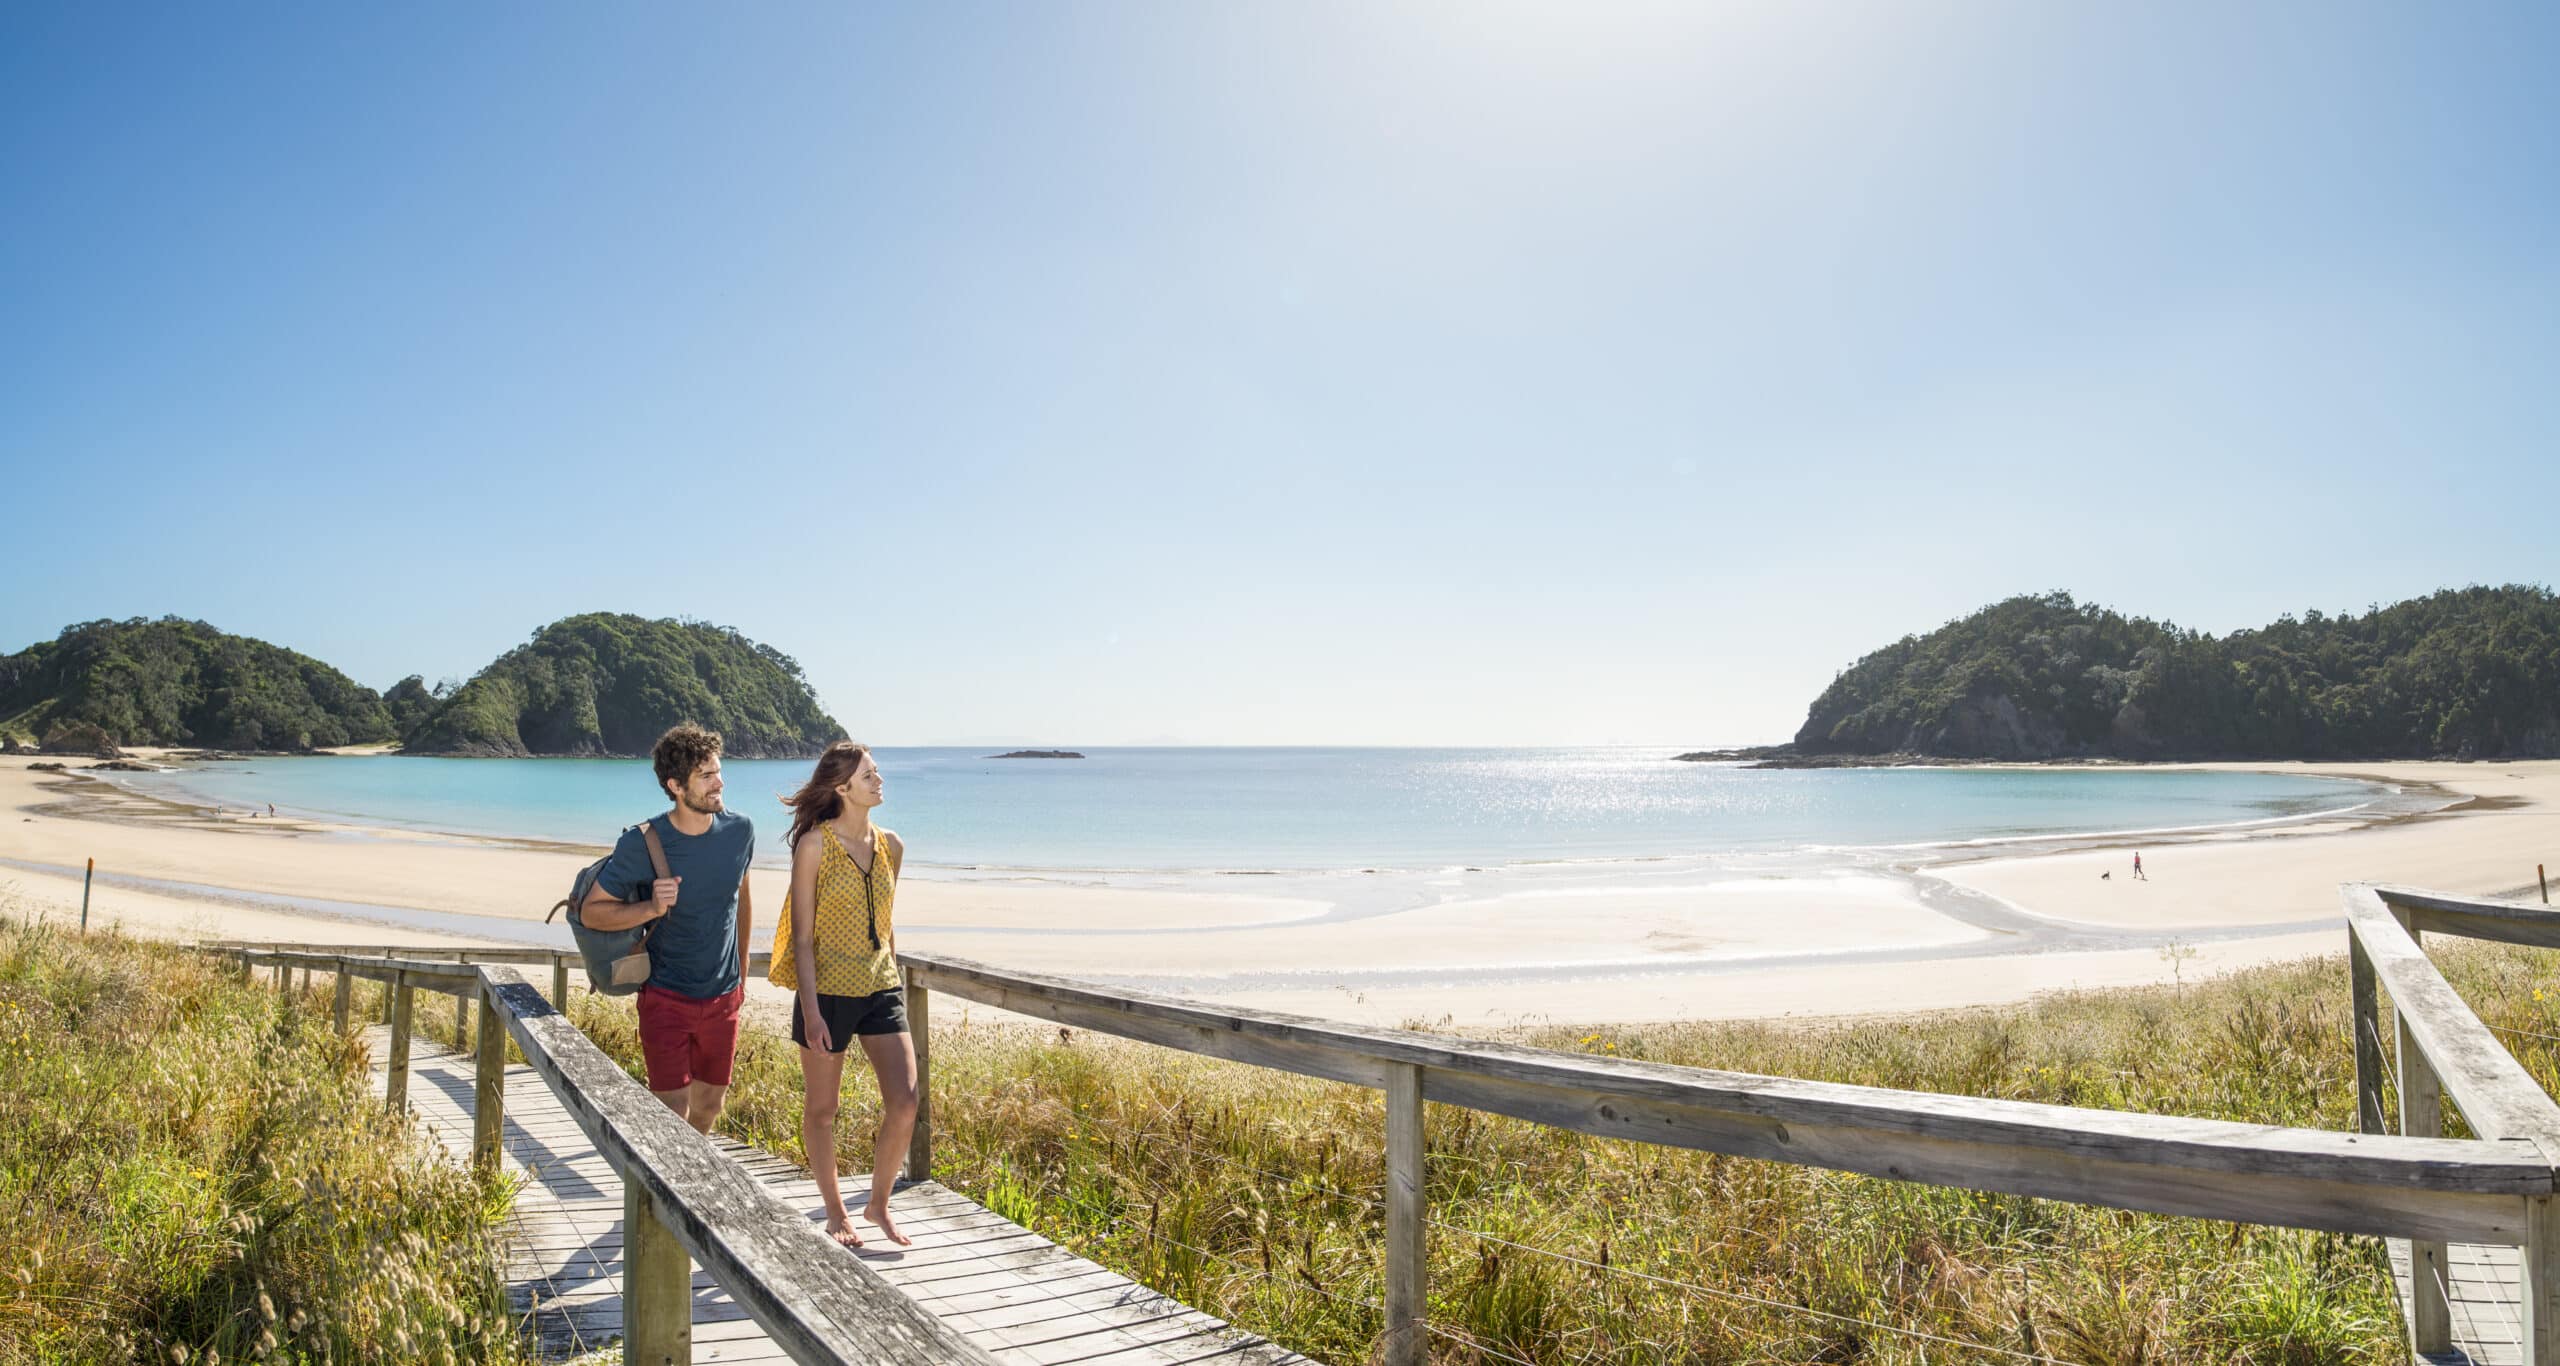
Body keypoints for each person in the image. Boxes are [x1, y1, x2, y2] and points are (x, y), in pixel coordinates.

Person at [770, 741, 917, 1248]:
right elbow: (804, 938)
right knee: (822, 1109)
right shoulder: (814, 846)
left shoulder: (891, 846)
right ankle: (836, 1212)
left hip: (881, 987)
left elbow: (887, 919)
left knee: (905, 1100)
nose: (878, 780)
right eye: (868, 775)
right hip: (828, 992)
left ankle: (878, 1204)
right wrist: (810, 1011)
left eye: (877, 771)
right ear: (842, 787)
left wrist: (893, 971)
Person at [580, 724, 756, 1135]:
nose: (720, 783)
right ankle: (669, 1194)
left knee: (710, 1105)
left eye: (719, 771)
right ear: (676, 786)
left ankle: (692, 1183)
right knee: (670, 1111)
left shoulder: (740, 831)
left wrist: (742, 974)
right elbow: (592, 912)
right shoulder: (643, 842)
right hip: (665, 997)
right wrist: (651, 906)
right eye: (707, 776)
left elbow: (741, 899)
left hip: (724, 997)